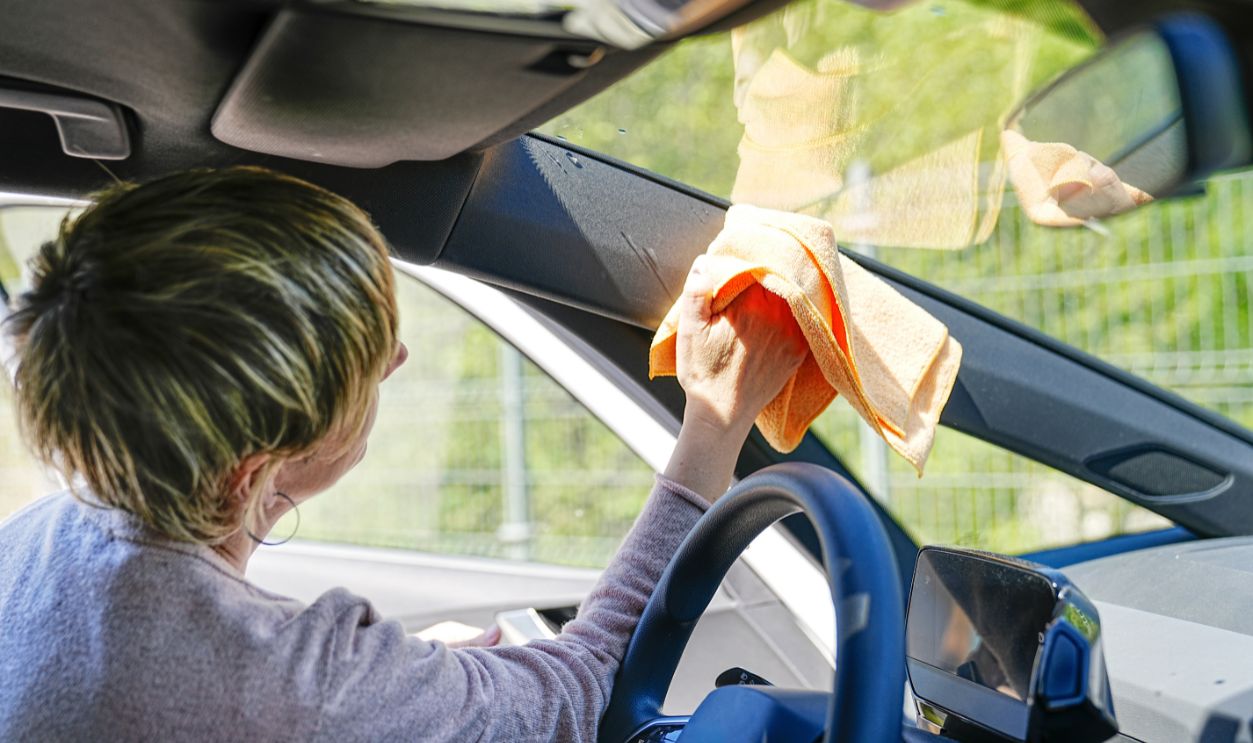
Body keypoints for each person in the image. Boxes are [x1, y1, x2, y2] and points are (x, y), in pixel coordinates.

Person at [0, 167, 807, 741]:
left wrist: (390, 690)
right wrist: (715, 419)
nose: (396, 359)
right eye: (363, 364)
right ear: (255, 469)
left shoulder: (35, 546)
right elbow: (582, 687)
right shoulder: (295, 680)